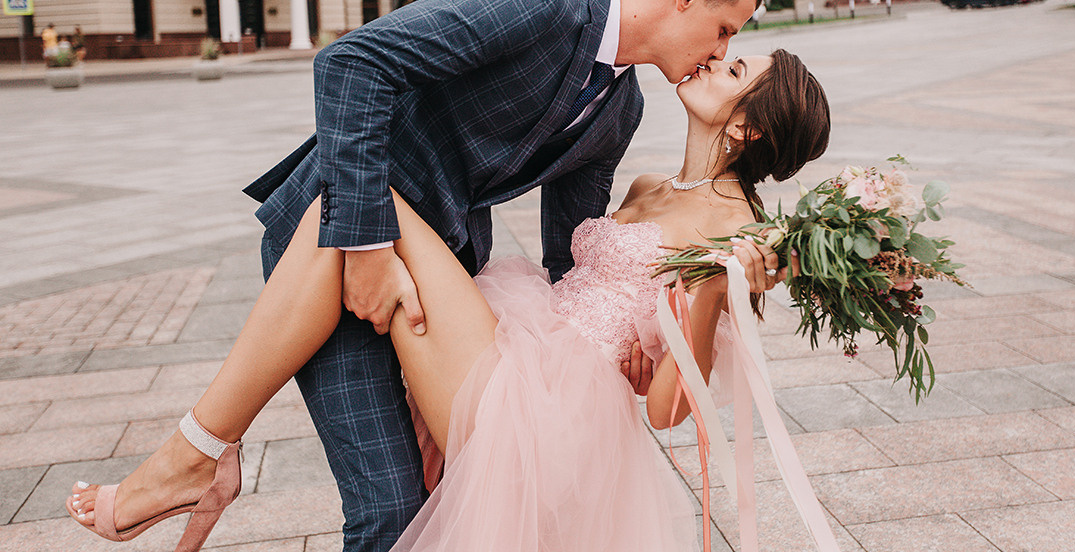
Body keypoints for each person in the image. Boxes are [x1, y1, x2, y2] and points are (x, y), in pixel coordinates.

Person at [67, 47, 830, 552]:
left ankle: (202, 450)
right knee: (352, 212)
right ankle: (207, 454)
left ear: (748, 125)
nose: (714, 60)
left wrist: (706, 294)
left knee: (364, 205)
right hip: (523, 335)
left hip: (554, 409)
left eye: (735, 70)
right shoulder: (649, 184)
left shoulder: (739, 234)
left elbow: (668, 409)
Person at [209, 0, 761, 551]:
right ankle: (196, 454)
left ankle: (200, 457)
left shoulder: (621, 111)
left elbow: (569, 263)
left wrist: (620, 347)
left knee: (416, 500)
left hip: (434, 271)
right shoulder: (536, 2)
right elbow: (351, 62)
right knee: (389, 508)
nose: (721, 50)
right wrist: (363, 248)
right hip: (339, 236)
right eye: (724, 30)